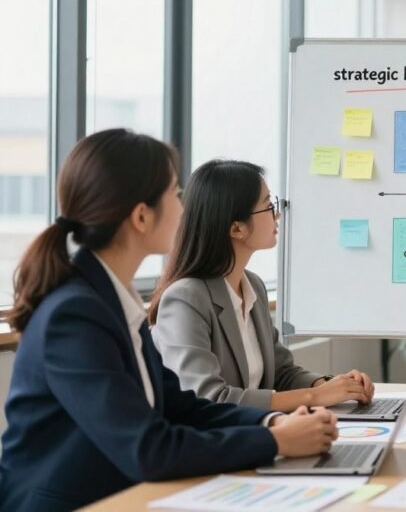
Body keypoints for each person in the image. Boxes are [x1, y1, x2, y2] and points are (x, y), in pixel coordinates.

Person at [0, 130, 338, 511]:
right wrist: (276, 443)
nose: (184, 207)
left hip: (127, 496)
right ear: (141, 216)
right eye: (175, 193)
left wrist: (272, 425)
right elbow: (148, 448)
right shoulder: (75, 315)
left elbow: (182, 407)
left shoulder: (114, 299)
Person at [150, 159, 374, 411]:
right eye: (268, 206)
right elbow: (207, 398)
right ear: (237, 228)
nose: (277, 213)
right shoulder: (185, 299)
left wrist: (329, 385)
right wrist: (315, 398)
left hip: (255, 431)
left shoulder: (253, 286)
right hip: (214, 442)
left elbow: (281, 373)